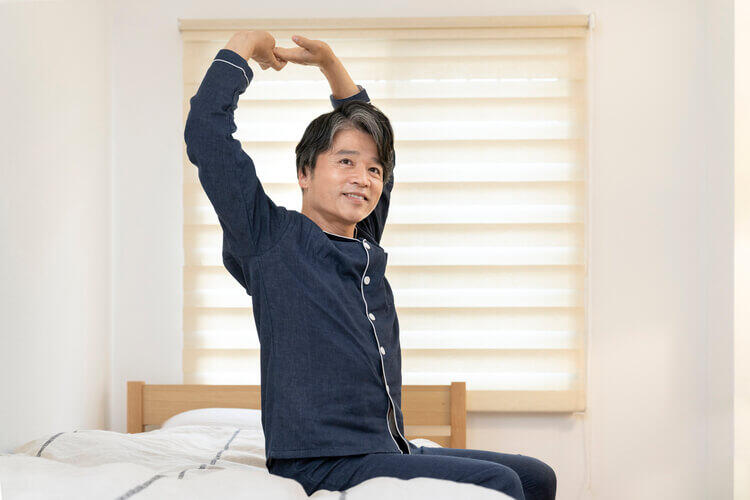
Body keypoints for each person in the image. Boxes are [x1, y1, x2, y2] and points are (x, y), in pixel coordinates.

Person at [183, 30, 556, 500]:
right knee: (502, 484)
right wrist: (246, 42)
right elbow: (206, 132)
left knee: (537, 476)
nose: (363, 178)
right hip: (320, 460)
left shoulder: (362, 240)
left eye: (374, 170)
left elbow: (380, 146)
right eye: (345, 162)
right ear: (304, 173)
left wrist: (330, 64)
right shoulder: (270, 239)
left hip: (386, 448)